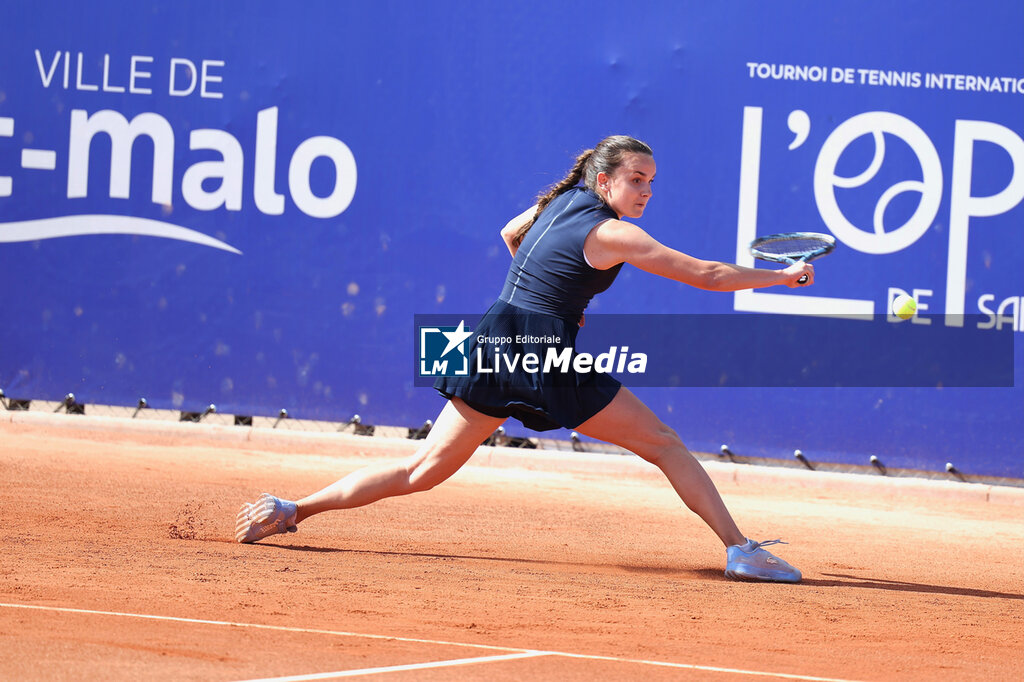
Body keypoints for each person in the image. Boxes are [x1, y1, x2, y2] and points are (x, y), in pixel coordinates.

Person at [236, 135, 812, 583]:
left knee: (421, 471)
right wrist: (782, 278)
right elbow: (706, 275)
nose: (645, 192)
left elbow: (511, 232)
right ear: (604, 179)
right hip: (543, 355)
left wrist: (550, 299)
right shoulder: (615, 235)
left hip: (494, 338)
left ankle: (292, 508)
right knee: (663, 443)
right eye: (636, 180)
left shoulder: (558, 203)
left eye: (651, 183)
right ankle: (740, 550)